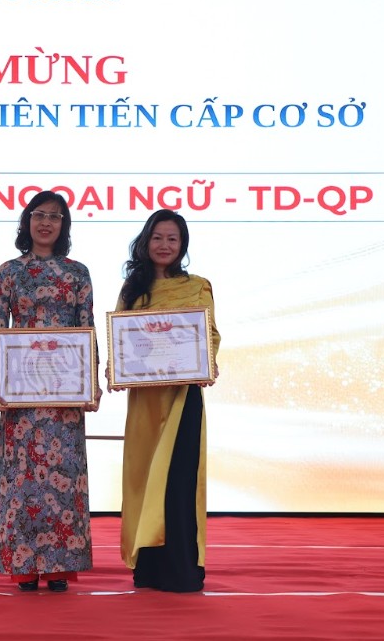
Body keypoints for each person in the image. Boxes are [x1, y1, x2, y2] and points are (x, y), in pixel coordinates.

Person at [0, 191, 102, 593]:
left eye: (55, 216)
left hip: (66, 391)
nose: (46, 222)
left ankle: (60, 567)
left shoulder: (77, 272)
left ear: (64, 225)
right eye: (39, 215)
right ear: (27, 221)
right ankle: (24, 567)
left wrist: (92, 382)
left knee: (64, 475)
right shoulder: (9, 272)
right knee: (22, 480)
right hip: (21, 389)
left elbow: (87, 329)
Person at [112, 209, 220, 592]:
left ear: (182, 245)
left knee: (178, 481)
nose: (164, 245)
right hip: (145, 400)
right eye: (158, 237)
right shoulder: (133, 290)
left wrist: (208, 361)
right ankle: (150, 568)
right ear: (146, 241)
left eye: (172, 239)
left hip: (182, 397)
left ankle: (182, 569)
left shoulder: (198, 287)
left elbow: (210, 335)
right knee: (145, 479)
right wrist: (116, 369)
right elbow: (122, 339)